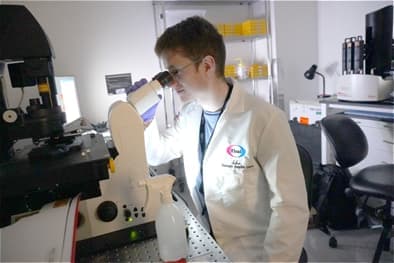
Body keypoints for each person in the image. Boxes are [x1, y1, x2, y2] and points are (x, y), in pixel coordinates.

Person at [129, 16, 309, 262]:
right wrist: (144, 122)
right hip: (210, 249)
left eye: (175, 72)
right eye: (167, 74)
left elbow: (291, 209)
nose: (170, 83)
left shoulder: (265, 120)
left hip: (256, 255)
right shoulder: (191, 114)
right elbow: (157, 154)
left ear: (207, 65)